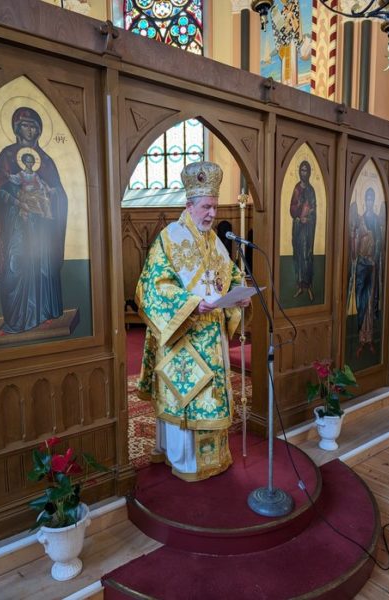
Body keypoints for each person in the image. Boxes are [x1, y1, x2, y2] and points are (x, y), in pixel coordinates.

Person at [135, 161, 251, 482]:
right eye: (206, 207)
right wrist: (190, 305)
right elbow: (151, 286)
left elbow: (231, 276)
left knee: (212, 396)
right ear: (189, 205)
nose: (212, 214)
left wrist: (239, 296)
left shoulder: (215, 242)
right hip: (182, 338)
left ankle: (215, 458)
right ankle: (185, 462)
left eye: (215, 207)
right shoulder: (169, 238)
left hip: (213, 337)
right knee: (187, 396)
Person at [0, 107, 68, 335]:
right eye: (25, 125)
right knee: (16, 266)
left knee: (43, 267)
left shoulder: (47, 162)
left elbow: (59, 194)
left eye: (34, 126)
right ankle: (17, 319)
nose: (30, 130)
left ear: (39, 131)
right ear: (16, 128)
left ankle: (43, 314)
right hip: (16, 225)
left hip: (42, 228)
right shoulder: (6, 156)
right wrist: (16, 197)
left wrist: (51, 195)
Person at [350, 187, 383, 357]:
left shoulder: (376, 220)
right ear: (365, 201)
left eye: (372, 199)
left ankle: (369, 339)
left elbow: (379, 242)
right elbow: (354, 249)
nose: (369, 202)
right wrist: (355, 236)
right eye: (368, 199)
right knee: (361, 301)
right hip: (361, 265)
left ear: (374, 201)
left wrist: (374, 259)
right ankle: (361, 339)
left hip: (371, 265)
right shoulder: (360, 220)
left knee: (370, 302)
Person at [289, 160, 316, 301]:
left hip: (308, 229)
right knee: (298, 254)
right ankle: (300, 285)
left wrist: (308, 217)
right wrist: (299, 214)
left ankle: (308, 285)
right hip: (298, 227)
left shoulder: (311, 190)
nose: (303, 173)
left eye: (305, 170)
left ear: (309, 173)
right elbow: (292, 208)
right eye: (301, 170)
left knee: (307, 255)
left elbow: (313, 210)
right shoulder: (296, 189)